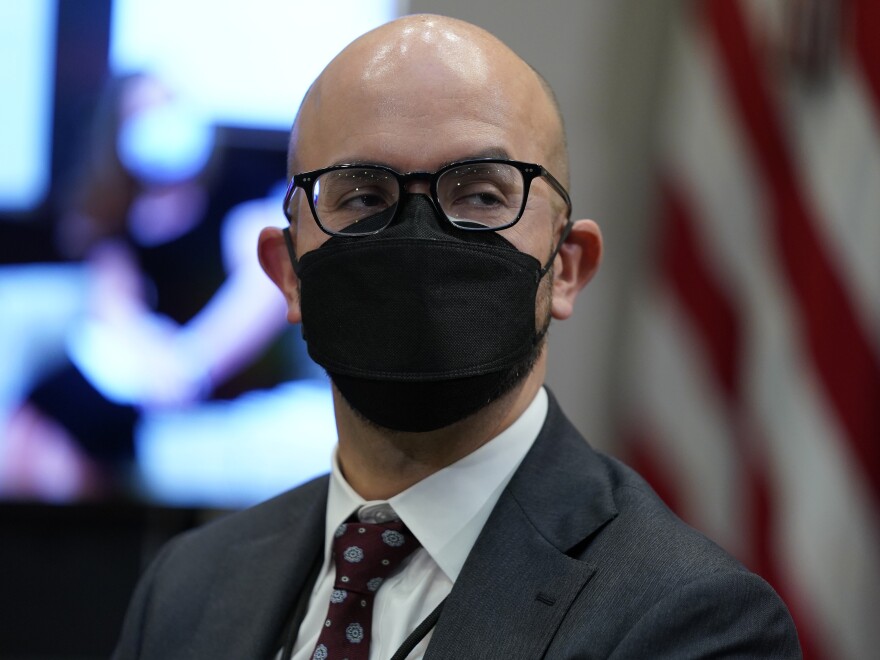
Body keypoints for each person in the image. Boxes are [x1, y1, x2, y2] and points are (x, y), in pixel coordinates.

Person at [112, 14, 801, 659]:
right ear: (289, 273)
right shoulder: (186, 587)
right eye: (362, 196)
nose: (419, 238)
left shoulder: (694, 619)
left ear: (566, 268)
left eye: (481, 195)